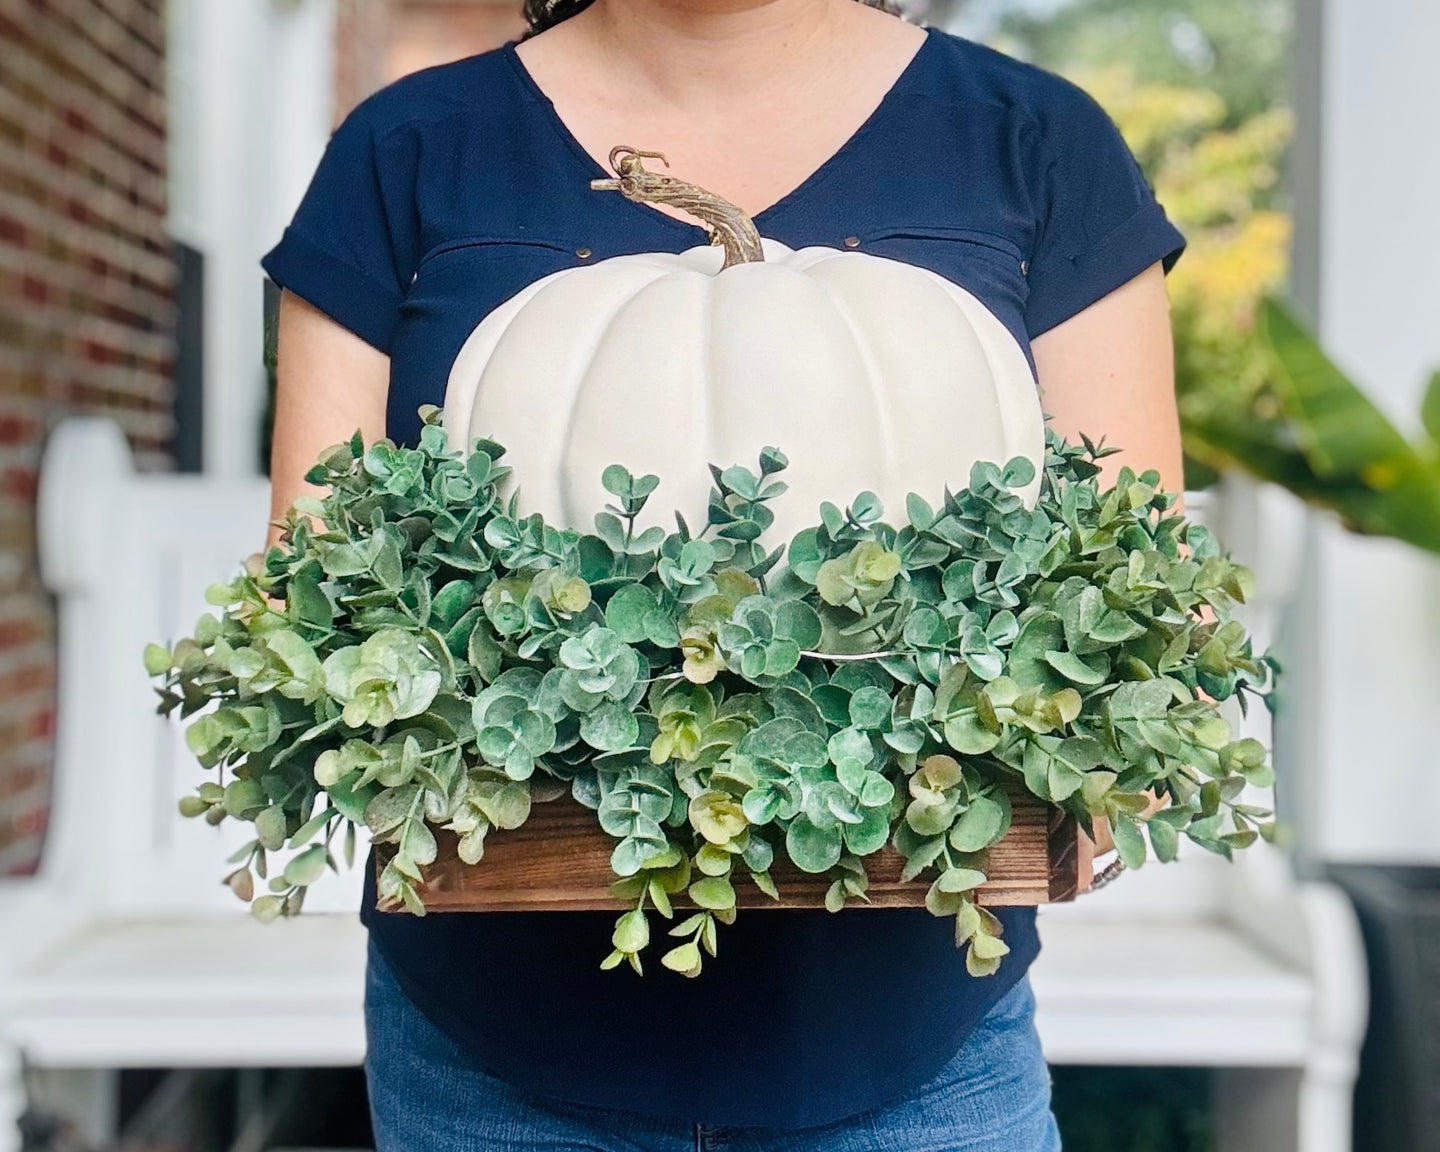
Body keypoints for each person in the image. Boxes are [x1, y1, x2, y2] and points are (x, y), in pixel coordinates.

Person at [260, 0, 1185, 1147]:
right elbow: (312, 595)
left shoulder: (1034, 139)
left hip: (919, 1057)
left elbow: (1139, 588)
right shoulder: (407, 146)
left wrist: (1100, 757)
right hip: (492, 1056)